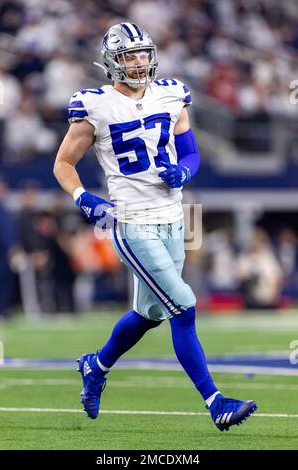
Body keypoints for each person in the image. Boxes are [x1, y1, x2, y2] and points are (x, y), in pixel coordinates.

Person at [54, 22, 257, 431]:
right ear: (113, 61)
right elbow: (63, 164)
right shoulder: (95, 105)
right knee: (183, 305)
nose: (140, 62)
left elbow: (191, 152)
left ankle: (96, 365)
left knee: (149, 314)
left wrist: (183, 172)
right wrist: (83, 198)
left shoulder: (170, 93)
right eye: (131, 56)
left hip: (172, 218)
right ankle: (215, 402)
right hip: (131, 221)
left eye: (144, 53)